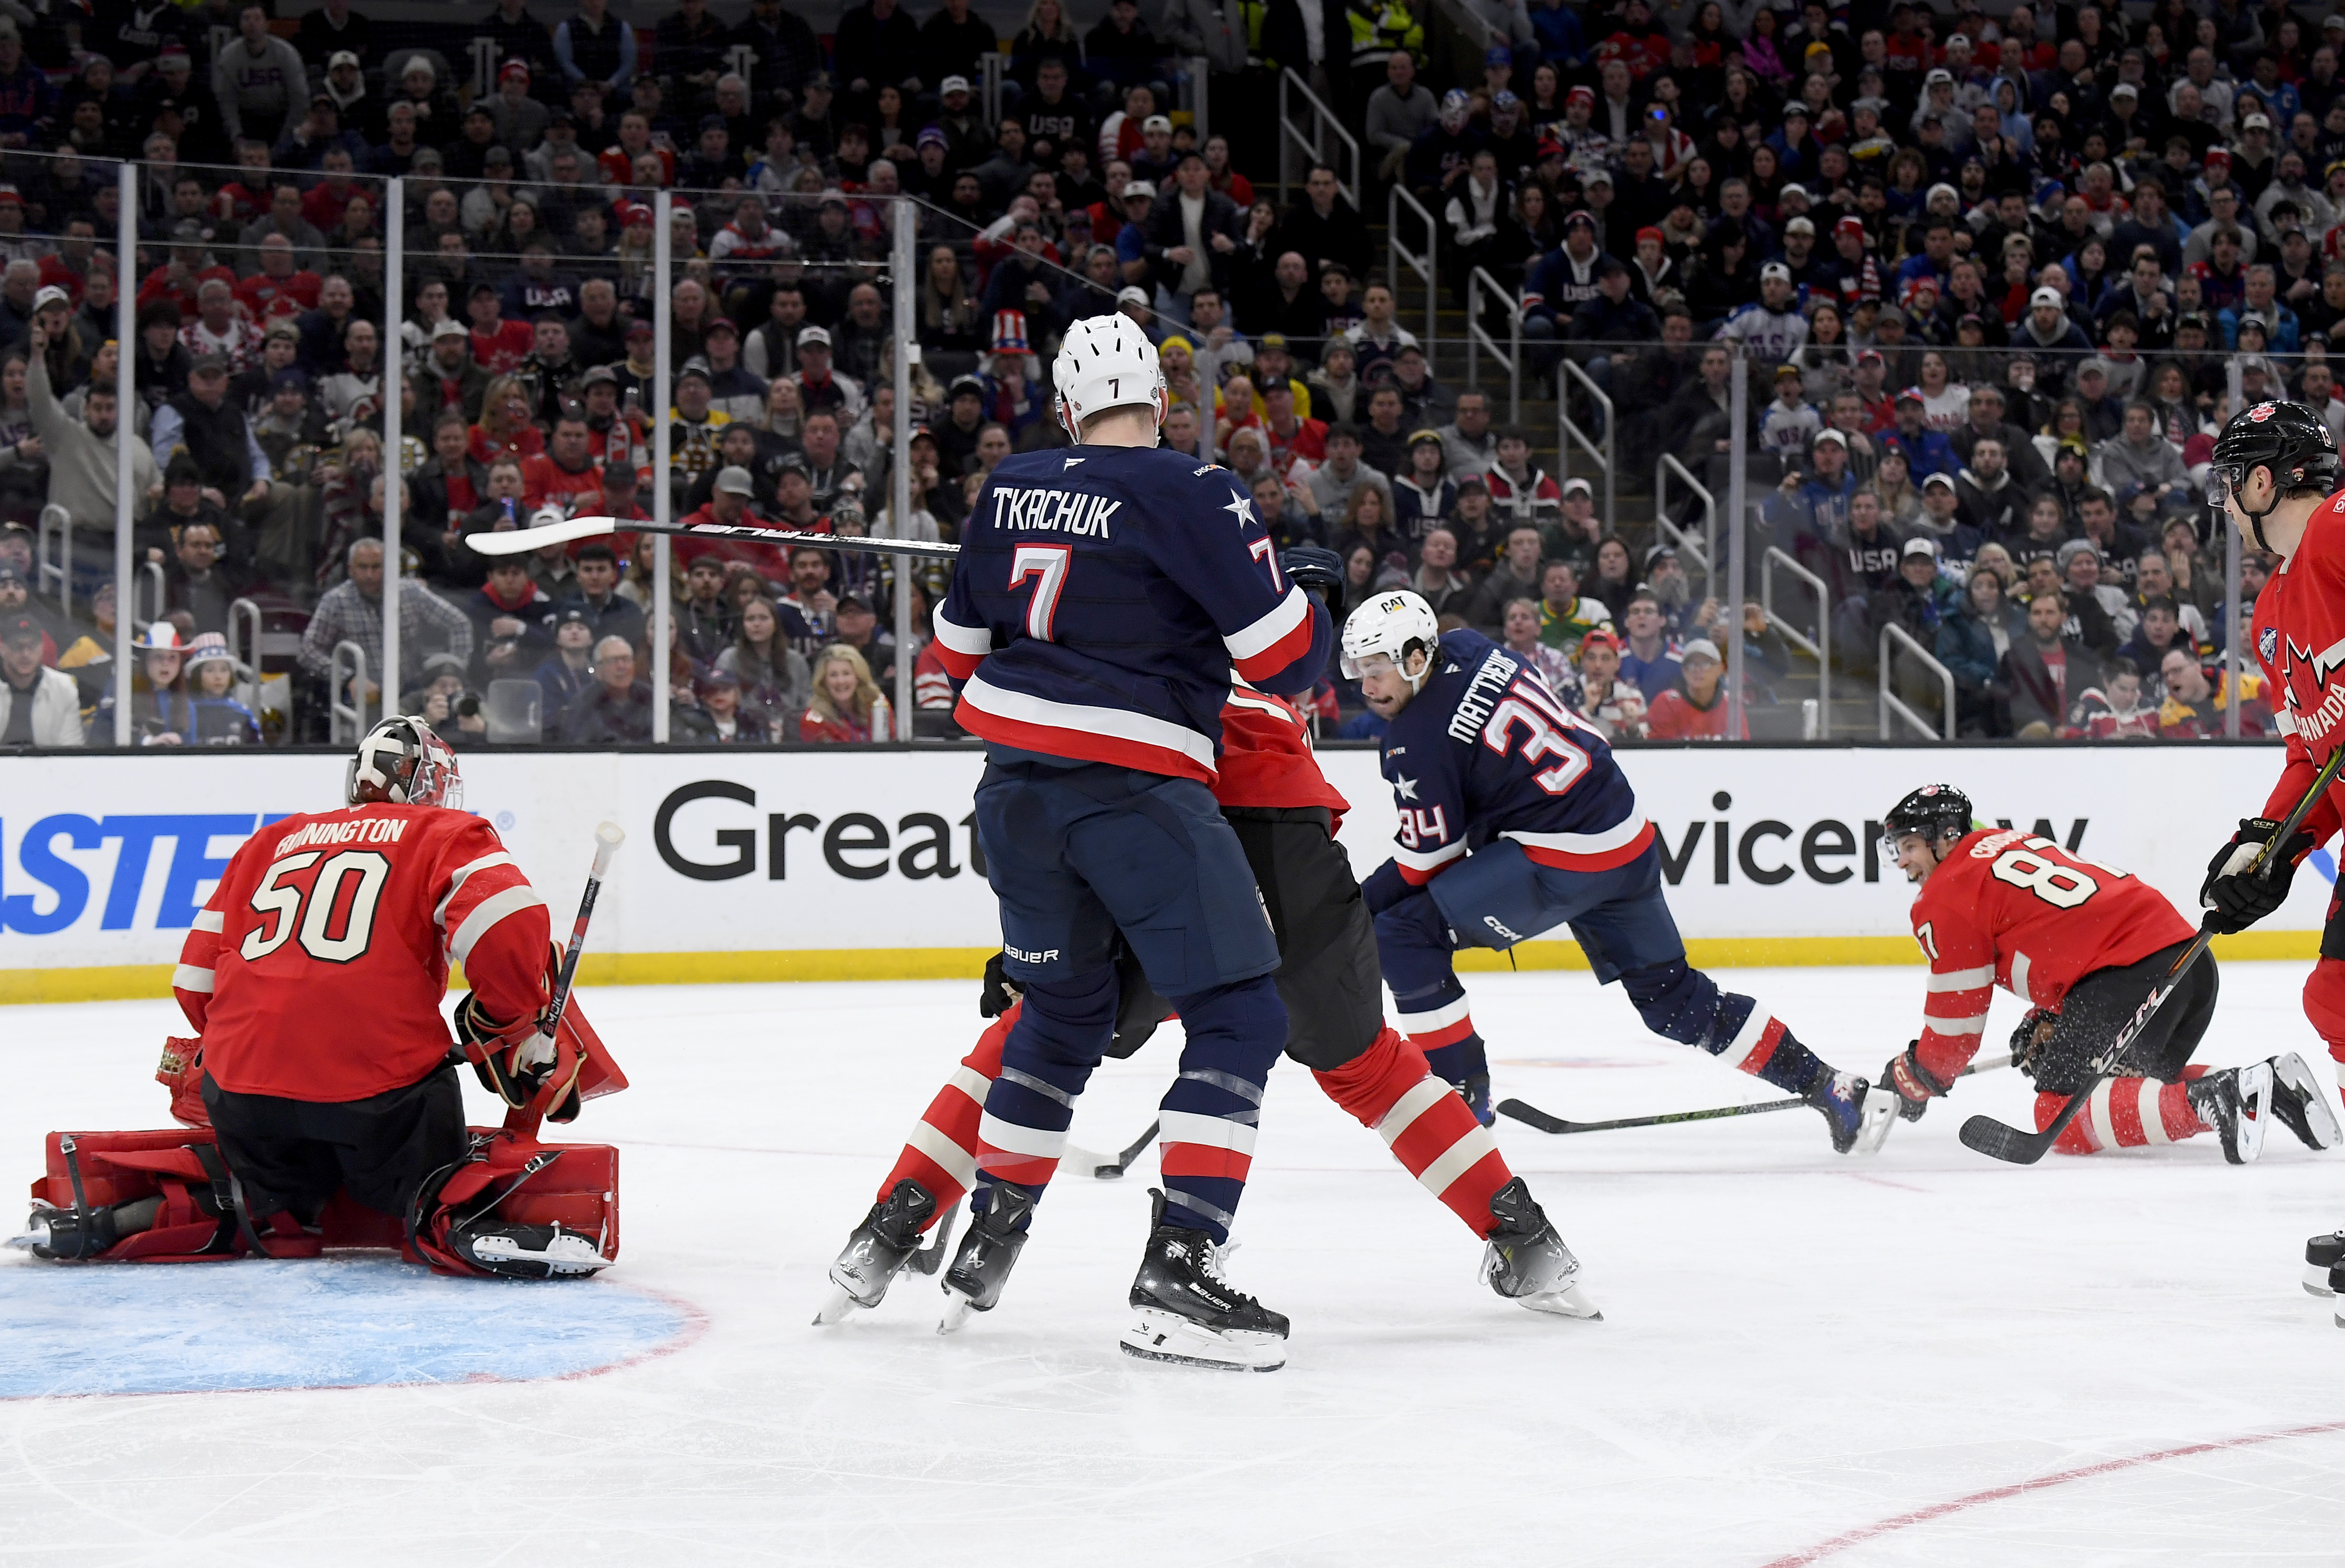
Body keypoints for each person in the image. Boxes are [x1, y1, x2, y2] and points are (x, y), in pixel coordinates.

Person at [818, 630, 1598, 1335]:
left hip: (1167, 826)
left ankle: (886, 1232)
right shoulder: (1257, 655)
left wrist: (1036, 951)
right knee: (1369, 1066)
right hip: (1289, 840)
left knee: (1040, 1033)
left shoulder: (1103, 655)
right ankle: (1527, 1242)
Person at [914, 314, 1332, 1369]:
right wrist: (1310, 592)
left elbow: (951, 663)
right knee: (1240, 1013)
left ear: (1063, 408)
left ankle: (990, 1237)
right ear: (1163, 401)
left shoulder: (1006, 487)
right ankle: (1179, 1271)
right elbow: (1282, 660)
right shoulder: (1195, 491)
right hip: (1136, 790)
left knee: (1060, 1013)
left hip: (1011, 794)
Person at [28, 718, 611, 1277]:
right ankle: (445, 1216)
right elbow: (504, 917)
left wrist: (256, 1048)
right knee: (425, 1172)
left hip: (243, 1096)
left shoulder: (272, 840)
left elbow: (195, 979)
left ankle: (262, 1211)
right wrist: (514, 1024)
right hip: (380, 1100)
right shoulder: (445, 832)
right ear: (429, 784)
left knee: (268, 1188)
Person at [1340, 590, 1885, 1150]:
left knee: (1402, 932)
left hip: (1562, 857)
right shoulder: (1469, 644)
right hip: (1622, 829)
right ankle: (1827, 1084)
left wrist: (1350, 905)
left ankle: (1461, 1096)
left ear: (1414, 658)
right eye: (1358, 669)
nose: (1365, 686)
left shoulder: (1412, 740)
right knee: (1674, 1001)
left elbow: (1431, 856)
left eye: (1376, 668)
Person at [1875, 784, 2331, 1163]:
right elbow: (2066, 927)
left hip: (2129, 976)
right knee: (2131, 1089)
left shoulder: (1947, 893)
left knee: (2058, 1114)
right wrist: (2052, 1013)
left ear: (1947, 837)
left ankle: (2210, 1100)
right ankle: (2261, 1085)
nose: (1902, 862)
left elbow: (1956, 1027)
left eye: (1911, 846)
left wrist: (1915, 1075)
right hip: (2187, 962)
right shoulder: (2004, 844)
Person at [2191, 400, 2345, 1295]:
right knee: (2335, 994)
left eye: (2228, 483)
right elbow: (2313, 754)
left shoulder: (2333, 530)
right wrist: (2269, 847)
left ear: (2260, 480)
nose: (2224, 506)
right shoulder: (2274, 614)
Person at [0, 611, 80, 745]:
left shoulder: (64, 688)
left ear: (43, 647)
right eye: (18, 647)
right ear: (3, 649)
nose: (26, 654)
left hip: (50, 766)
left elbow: (70, 753)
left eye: (32, 646)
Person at [800, 643, 892, 742]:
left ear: (858, 677)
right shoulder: (814, 721)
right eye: (833, 675)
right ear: (824, 681)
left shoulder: (878, 705)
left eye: (846, 674)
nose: (841, 681)